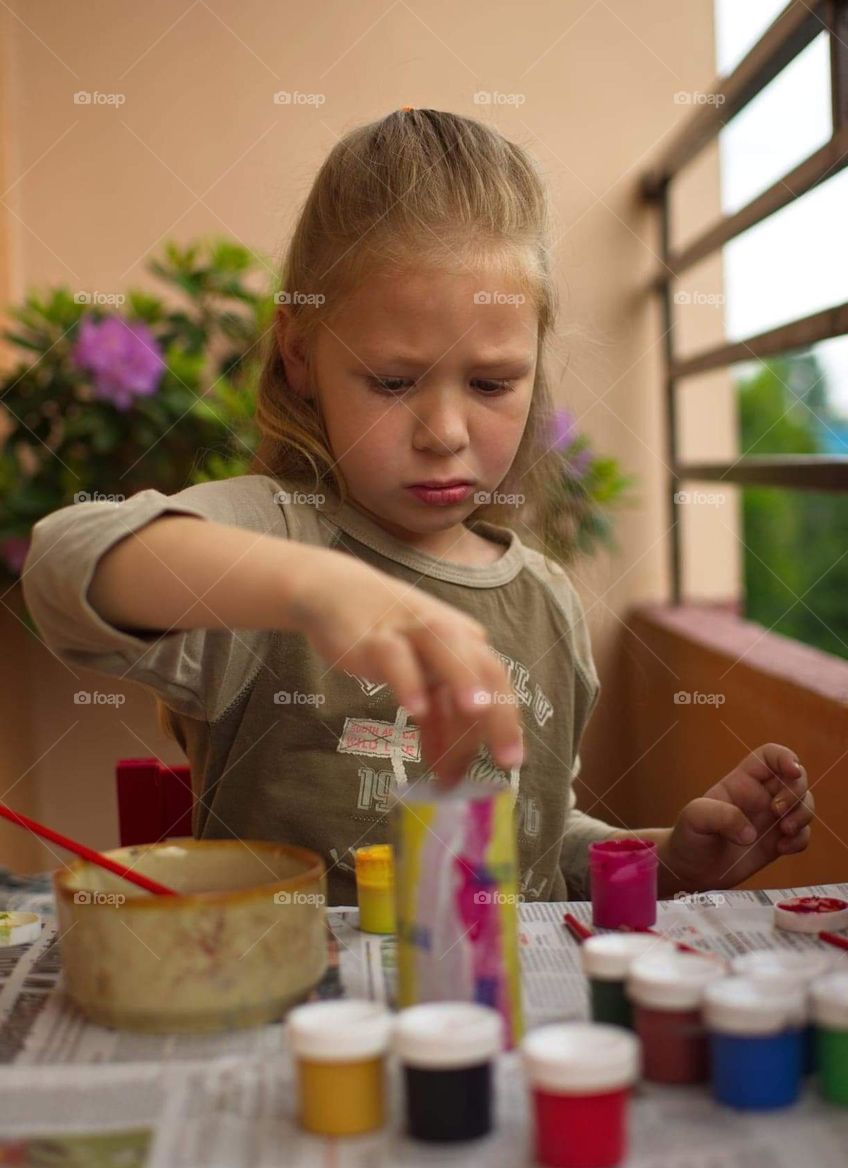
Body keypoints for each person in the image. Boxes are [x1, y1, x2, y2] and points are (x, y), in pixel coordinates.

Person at [21, 109, 815, 906]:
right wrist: (316, 589)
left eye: (492, 383)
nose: (443, 433)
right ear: (301, 357)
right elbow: (62, 563)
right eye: (393, 382)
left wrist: (671, 862)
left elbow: (539, 832)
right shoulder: (271, 535)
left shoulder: (546, 603)